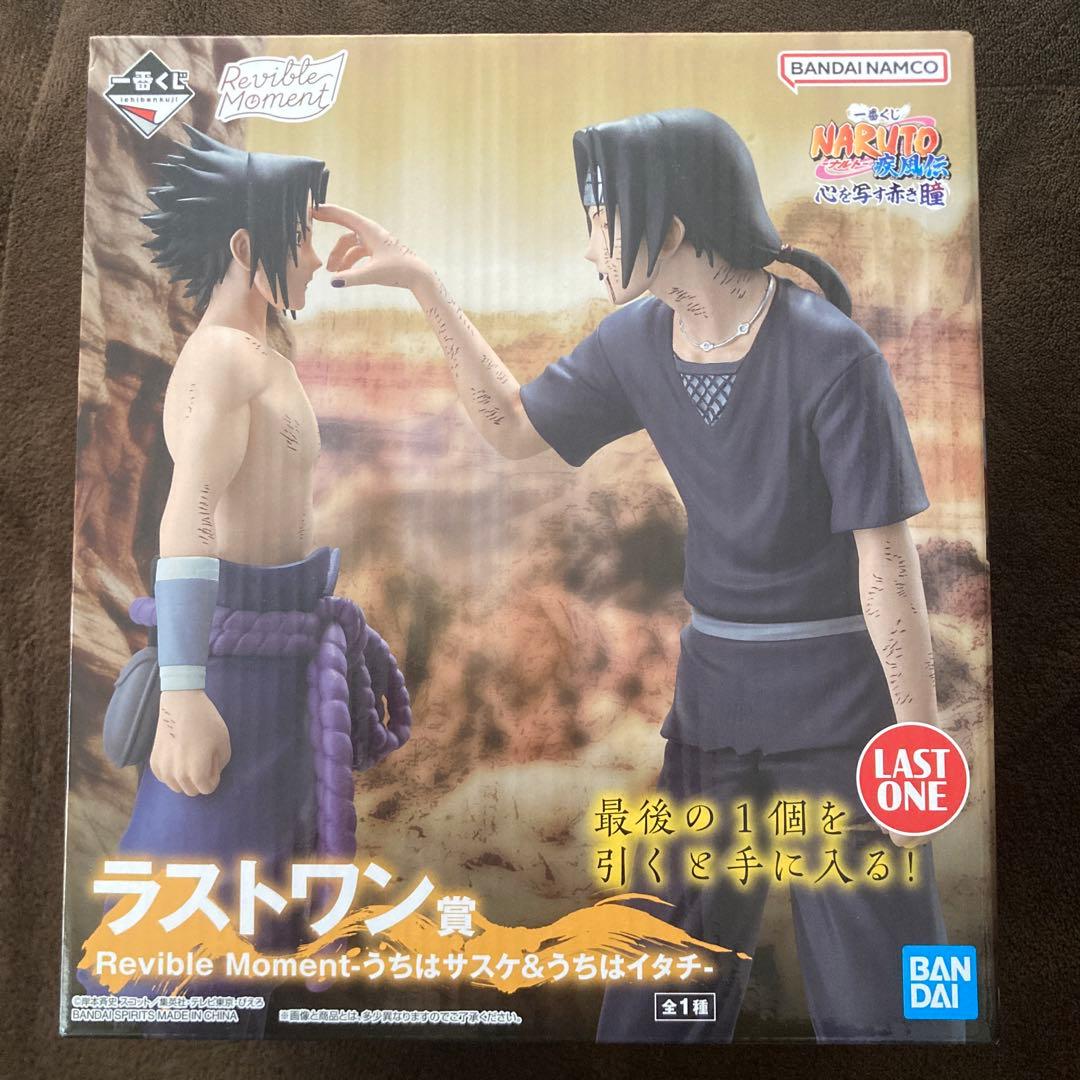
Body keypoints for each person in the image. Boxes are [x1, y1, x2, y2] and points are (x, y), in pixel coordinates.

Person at [315, 107, 959, 1042]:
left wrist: (918, 746)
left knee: (886, 1006)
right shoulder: (635, 341)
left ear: (674, 223)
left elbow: (885, 561)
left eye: (601, 222)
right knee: (658, 994)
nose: (589, 250)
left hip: (843, 716)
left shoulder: (834, 356)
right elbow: (514, 431)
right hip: (713, 709)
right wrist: (426, 285)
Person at [83, 127, 411, 1027]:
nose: (312, 256)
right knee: (195, 904)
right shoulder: (223, 358)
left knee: (258, 915)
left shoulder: (262, 354)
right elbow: (184, 520)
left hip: (275, 663)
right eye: (299, 234)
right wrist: (184, 694)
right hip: (228, 671)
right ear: (243, 244)